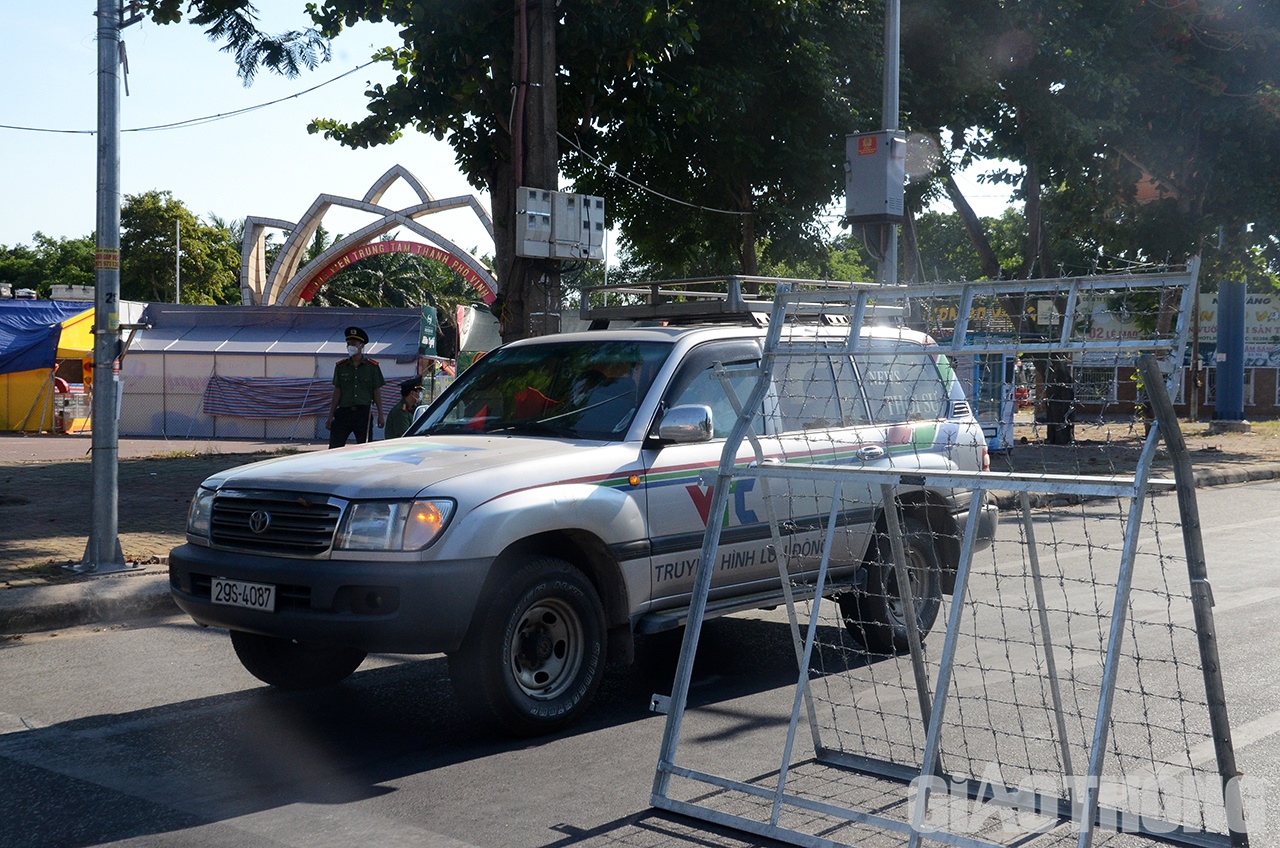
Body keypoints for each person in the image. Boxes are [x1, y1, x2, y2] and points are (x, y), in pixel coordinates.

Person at [327, 326, 386, 448]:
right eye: (348, 343)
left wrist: (381, 414)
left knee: (364, 448)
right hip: (344, 412)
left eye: (354, 343)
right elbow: (337, 391)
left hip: (363, 413)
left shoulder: (372, 367)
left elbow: (376, 391)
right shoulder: (341, 367)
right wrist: (330, 415)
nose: (350, 346)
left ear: (361, 345)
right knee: (334, 447)